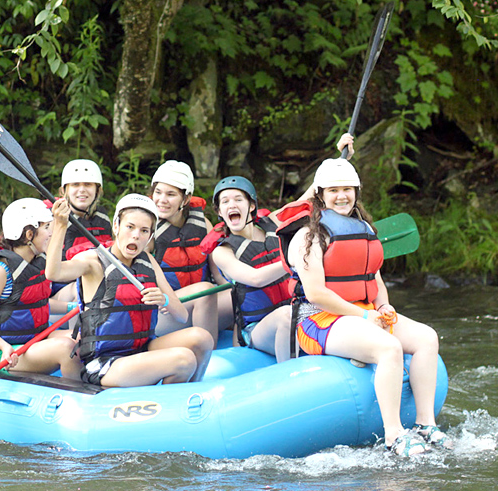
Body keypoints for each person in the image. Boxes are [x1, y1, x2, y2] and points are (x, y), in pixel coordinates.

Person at [277, 141, 451, 457]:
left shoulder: (364, 229)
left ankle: (427, 424)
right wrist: (366, 318)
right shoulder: (307, 236)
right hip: (318, 321)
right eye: (333, 190)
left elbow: (375, 278)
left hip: (364, 312)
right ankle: (394, 434)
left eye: (347, 189)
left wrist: (382, 306)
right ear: (320, 195)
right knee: (389, 347)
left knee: (427, 338)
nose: (341, 196)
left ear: (356, 192)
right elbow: (316, 293)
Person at [45, 193, 214, 387]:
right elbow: (53, 273)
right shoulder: (93, 261)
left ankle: (192, 395)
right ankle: (167, 406)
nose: (136, 235)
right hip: (104, 362)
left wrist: (164, 300)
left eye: (144, 231)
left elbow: (182, 316)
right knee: (184, 359)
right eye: (130, 227)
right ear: (116, 227)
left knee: (202, 339)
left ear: (150, 235)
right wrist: (60, 224)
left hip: (142, 348)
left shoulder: (147, 261)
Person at [0, 198, 81, 379]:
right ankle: (78, 398)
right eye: (46, 228)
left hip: (38, 337)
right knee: (67, 349)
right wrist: (4, 347)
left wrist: (74, 307)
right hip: (7, 351)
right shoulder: (0, 271)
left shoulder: (38, 262)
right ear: (29, 234)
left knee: (84, 338)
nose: (50, 233)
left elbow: (33, 305)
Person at [205, 176, 294, 361]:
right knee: (285, 316)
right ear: (220, 212)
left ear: (251, 206)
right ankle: (288, 375)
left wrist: (340, 161)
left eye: (238, 199)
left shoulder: (272, 223)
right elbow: (255, 278)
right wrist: (292, 262)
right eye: (225, 202)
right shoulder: (222, 252)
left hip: (296, 311)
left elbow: (308, 199)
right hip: (257, 327)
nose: (232, 205)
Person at [148, 160, 235, 346]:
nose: (162, 200)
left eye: (171, 194)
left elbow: (218, 276)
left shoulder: (202, 224)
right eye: (158, 192)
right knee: (204, 291)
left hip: (200, 303)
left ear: (185, 199)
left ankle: (240, 343)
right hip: (162, 312)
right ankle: (207, 353)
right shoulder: (146, 228)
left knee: (240, 293)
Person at [50, 159, 113, 302]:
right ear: (64, 190)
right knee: (81, 287)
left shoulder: (103, 218)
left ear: (98, 190)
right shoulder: (52, 219)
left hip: (99, 284)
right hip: (63, 292)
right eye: (75, 185)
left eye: (88, 184)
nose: (82, 190)